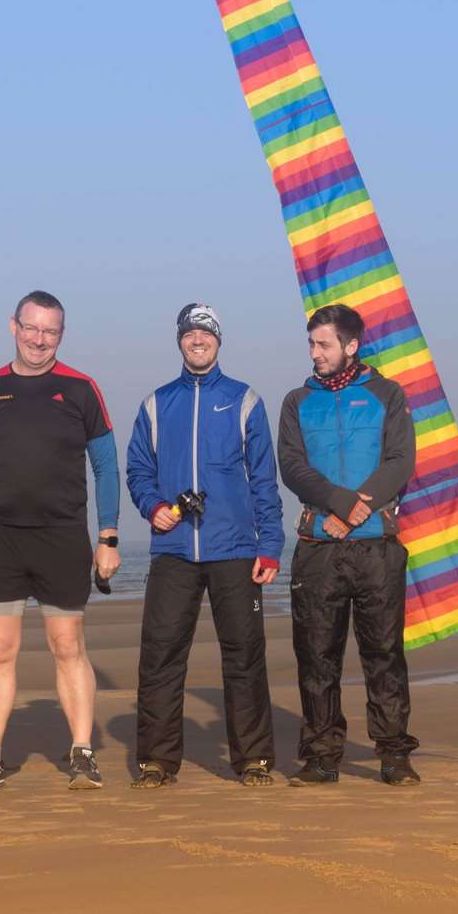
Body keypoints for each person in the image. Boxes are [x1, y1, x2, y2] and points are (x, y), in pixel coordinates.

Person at [0, 290, 120, 792]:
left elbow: (106, 467)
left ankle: (82, 753)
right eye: (31, 328)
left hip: (61, 534)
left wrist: (108, 535)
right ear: (13, 326)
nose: (39, 339)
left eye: (50, 331)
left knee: (67, 644)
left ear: (61, 334)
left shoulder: (81, 389)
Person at [125, 302, 284, 788]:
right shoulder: (156, 403)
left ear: (219, 340)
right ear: (179, 341)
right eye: (191, 334)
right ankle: (156, 761)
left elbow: (264, 480)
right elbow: (138, 471)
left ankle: (253, 760)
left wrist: (271, 545)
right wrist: (154, 507)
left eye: (207, 334)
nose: (199, 341)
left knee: (244, 655)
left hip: (235, 549)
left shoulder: (245, 400)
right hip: (173, 551)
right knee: (161, 654)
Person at [278, 302, 421, 786]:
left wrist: (359, 509)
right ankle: (321, 755)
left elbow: (401, 461)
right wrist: (340, 503)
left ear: (350, 346)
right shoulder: (297, 401)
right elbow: (292, 467)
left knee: (383, 651)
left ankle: (394, 754)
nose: (315, 353)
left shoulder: (387, 394)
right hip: (318, 547)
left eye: (324, 344)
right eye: (312, 344)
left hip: (376, 547)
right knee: (317, 655)